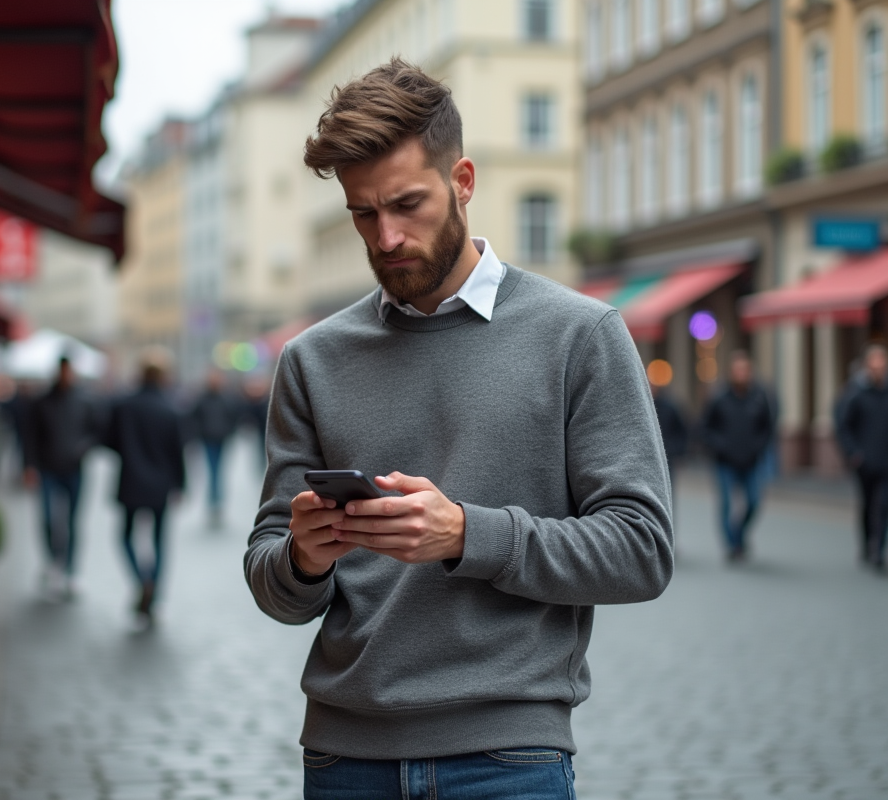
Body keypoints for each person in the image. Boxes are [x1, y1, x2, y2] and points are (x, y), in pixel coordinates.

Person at [243, 59, 673, 800]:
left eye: (407, 204)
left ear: (463, 181)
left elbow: (641, 550)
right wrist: (304, 561)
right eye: (363, 213)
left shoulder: (580, 335)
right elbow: (273, 582)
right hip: (345, 760)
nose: (386, 237)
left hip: (508, 758)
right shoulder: (312, 360)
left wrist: (467, 535)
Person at [105, 350, 186, 624]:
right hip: (161, 484)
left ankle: (142, 580)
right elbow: (178, 451)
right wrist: (180, 484)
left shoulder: (123, 406)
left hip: (130, 479)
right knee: (159, 540)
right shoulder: (171, 409)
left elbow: (109, 440)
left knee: (125, 536)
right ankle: (154, 589)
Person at [24, 357, 104, 599]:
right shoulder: (42, 403)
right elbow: (30, 436)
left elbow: (96, 431)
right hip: (48, 468)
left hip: (74, 469)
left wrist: (83, 448)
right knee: (48, 518)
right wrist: (29, 466)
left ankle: (71, 570)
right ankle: (53, 563)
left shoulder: (84, 401)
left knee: (72, 522)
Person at [700, 350, 778, 562]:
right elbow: (705, 428)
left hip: (751, 461)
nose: (742, 374)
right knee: (726, 504)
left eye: (745, 370)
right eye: (738, 370)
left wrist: (758, 447)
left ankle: (739, 534)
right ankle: (733, 545)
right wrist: (719, 447)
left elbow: (768, 427)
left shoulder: (760, 397)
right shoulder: (719, 398)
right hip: (725, 462)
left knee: (753, 502)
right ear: (731, 373)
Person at [836, 343, 888, 568]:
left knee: (883, 505)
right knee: (867, 505)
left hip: (886, 462)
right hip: (865, 462)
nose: (878, 368)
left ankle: (878, 549)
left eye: (882, 363)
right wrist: (854, 453)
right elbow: (844, 426)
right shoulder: (856, 394)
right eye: (874, 363)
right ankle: (867, 544)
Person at [191, 371, 239, 526]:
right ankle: (214, 502)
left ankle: (216, 502)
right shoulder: (203, 398)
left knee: (218, 471)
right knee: (213, 471)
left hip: (222, 439)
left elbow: (234, 415)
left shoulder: (226, 398)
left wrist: (230, 431)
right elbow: (194, 417)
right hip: (208, 439)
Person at [651, 382, 688, 483]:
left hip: (667, 455)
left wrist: (677, 450)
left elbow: (681, 430)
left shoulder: (669, 407)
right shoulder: (641, 406)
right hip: (648, 456)